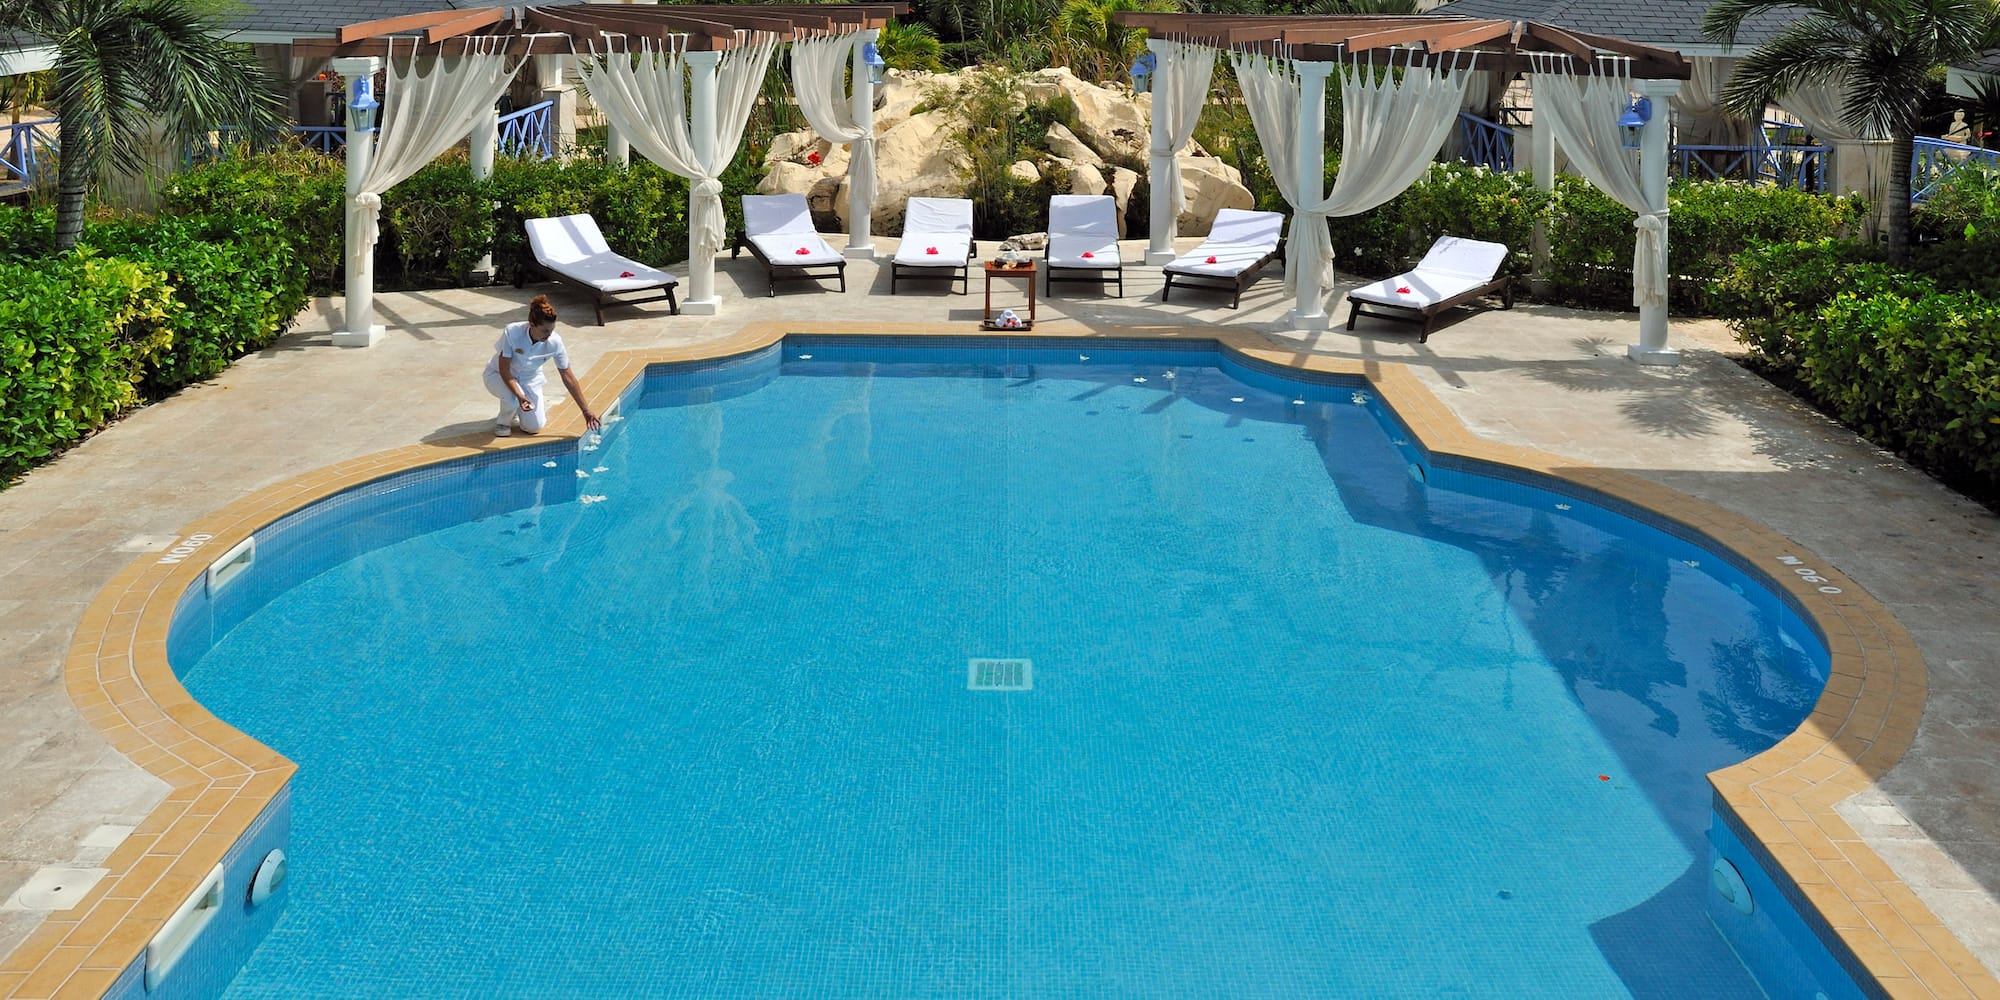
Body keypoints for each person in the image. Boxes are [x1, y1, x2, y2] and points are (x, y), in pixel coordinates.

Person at [483, 295, 601, 437]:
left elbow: (568, 376)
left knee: (534, 427)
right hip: (498, 375)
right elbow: (504, 369)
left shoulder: (555, 342)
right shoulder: (512, 332)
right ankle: (503, 422)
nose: (549, 334)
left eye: (551, 330)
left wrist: (585, 410)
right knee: (511, 399)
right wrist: (520, 396)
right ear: (532, 324)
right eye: (545, 331)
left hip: (530, 380)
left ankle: (516, 409)